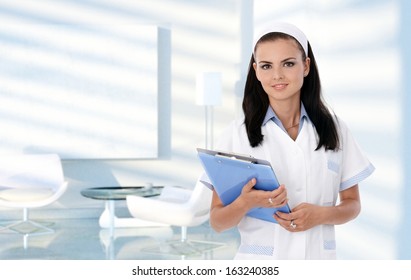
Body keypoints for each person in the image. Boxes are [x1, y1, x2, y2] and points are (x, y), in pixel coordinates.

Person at [200, 22, 375, 260]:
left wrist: (320, 215)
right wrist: (245, 203)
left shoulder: (335, 129)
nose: (277, 76)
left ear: (306, 66)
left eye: (288, 63)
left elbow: (353, 204)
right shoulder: (236, 135)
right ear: (257, 71)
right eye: (266, 66)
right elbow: (218, 222)